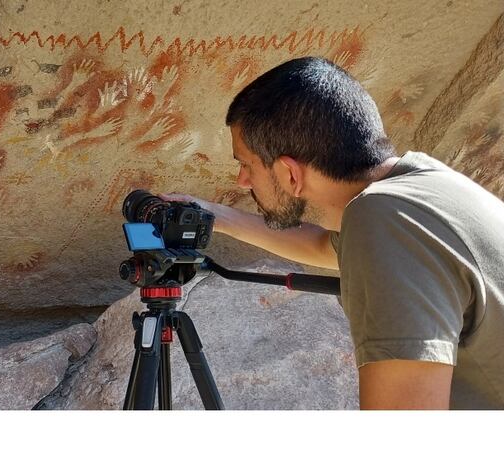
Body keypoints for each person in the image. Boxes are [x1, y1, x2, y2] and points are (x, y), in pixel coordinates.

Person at [162, 56, 504, 410]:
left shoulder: (383, 224)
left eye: (246, 164)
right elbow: (323, 245)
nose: (242, 181)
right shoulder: (419, 187)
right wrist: (212, 215)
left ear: (289, 173)